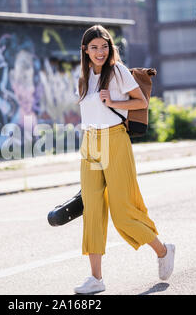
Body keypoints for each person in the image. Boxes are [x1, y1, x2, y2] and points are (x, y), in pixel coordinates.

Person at [74, 25, 175, 294]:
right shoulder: (83, 77)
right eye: (94, 47)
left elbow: (140, 102)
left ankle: (163, 251)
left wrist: (113, 102)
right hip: (90, 143)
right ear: (85, 50)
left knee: (123, 212)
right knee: (92, 209)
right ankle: (96, 278)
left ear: (110, 48)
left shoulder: (117, 71)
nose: (99, 52)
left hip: (115, 140)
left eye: (104, 46)